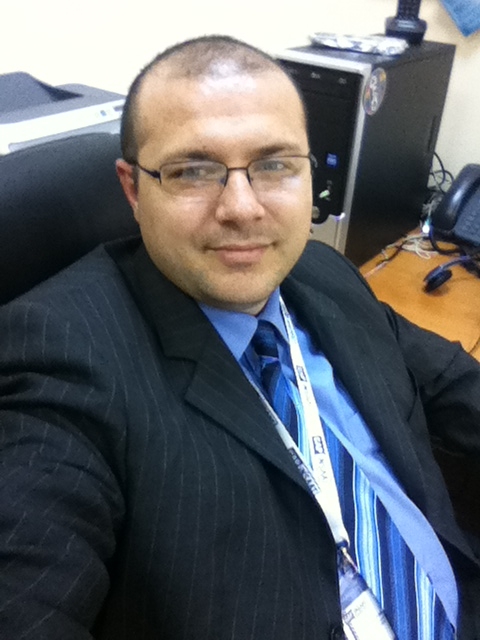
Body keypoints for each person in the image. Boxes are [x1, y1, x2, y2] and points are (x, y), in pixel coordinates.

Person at [0, 35, 479, 640]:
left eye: (275, 164)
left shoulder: (322, 272)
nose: (243, 208)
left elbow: (449, 381)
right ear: (133, 189)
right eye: (193, 171)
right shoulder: (58, 356)